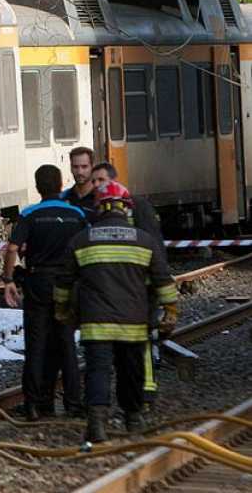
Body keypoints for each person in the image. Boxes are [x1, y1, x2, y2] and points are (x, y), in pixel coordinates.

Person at [55, 180, 179, 443]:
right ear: (126, 208)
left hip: (95, 323)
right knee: (131, 371)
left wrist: (63, 310)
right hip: (133, 322)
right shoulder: (144, 241)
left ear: (99, 208)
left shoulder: (81, 240)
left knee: (97, 371)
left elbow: (63, 282)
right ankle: (133, 419)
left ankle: (96, 424)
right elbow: (163, 281)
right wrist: (170, 311)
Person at [2, 165, 87, 420]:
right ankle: (73, 403)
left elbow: (12, 248)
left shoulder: (30, 214)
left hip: (38, 282)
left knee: (36, 344)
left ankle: (33, 404)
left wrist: (8, 279)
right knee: (66, 344)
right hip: (67, 284)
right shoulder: (76, 214)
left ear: (38, 187)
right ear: (61, 185)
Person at [91, 161, 166, 410]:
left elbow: (154, 248)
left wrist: (157, 285)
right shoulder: (97, 208)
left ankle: (145, 393)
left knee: (141, 341)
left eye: (101, 180)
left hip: (139, 288)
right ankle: (133, 398)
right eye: (94, 181)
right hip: (114, 289)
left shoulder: (139, 207)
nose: (97, 185)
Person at [61, 147, 97, 214]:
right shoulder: (63, 198)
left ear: (93, 167)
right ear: (71, 168)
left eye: (84, 167)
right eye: (75, 167)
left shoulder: (101, 198)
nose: (80, 172)